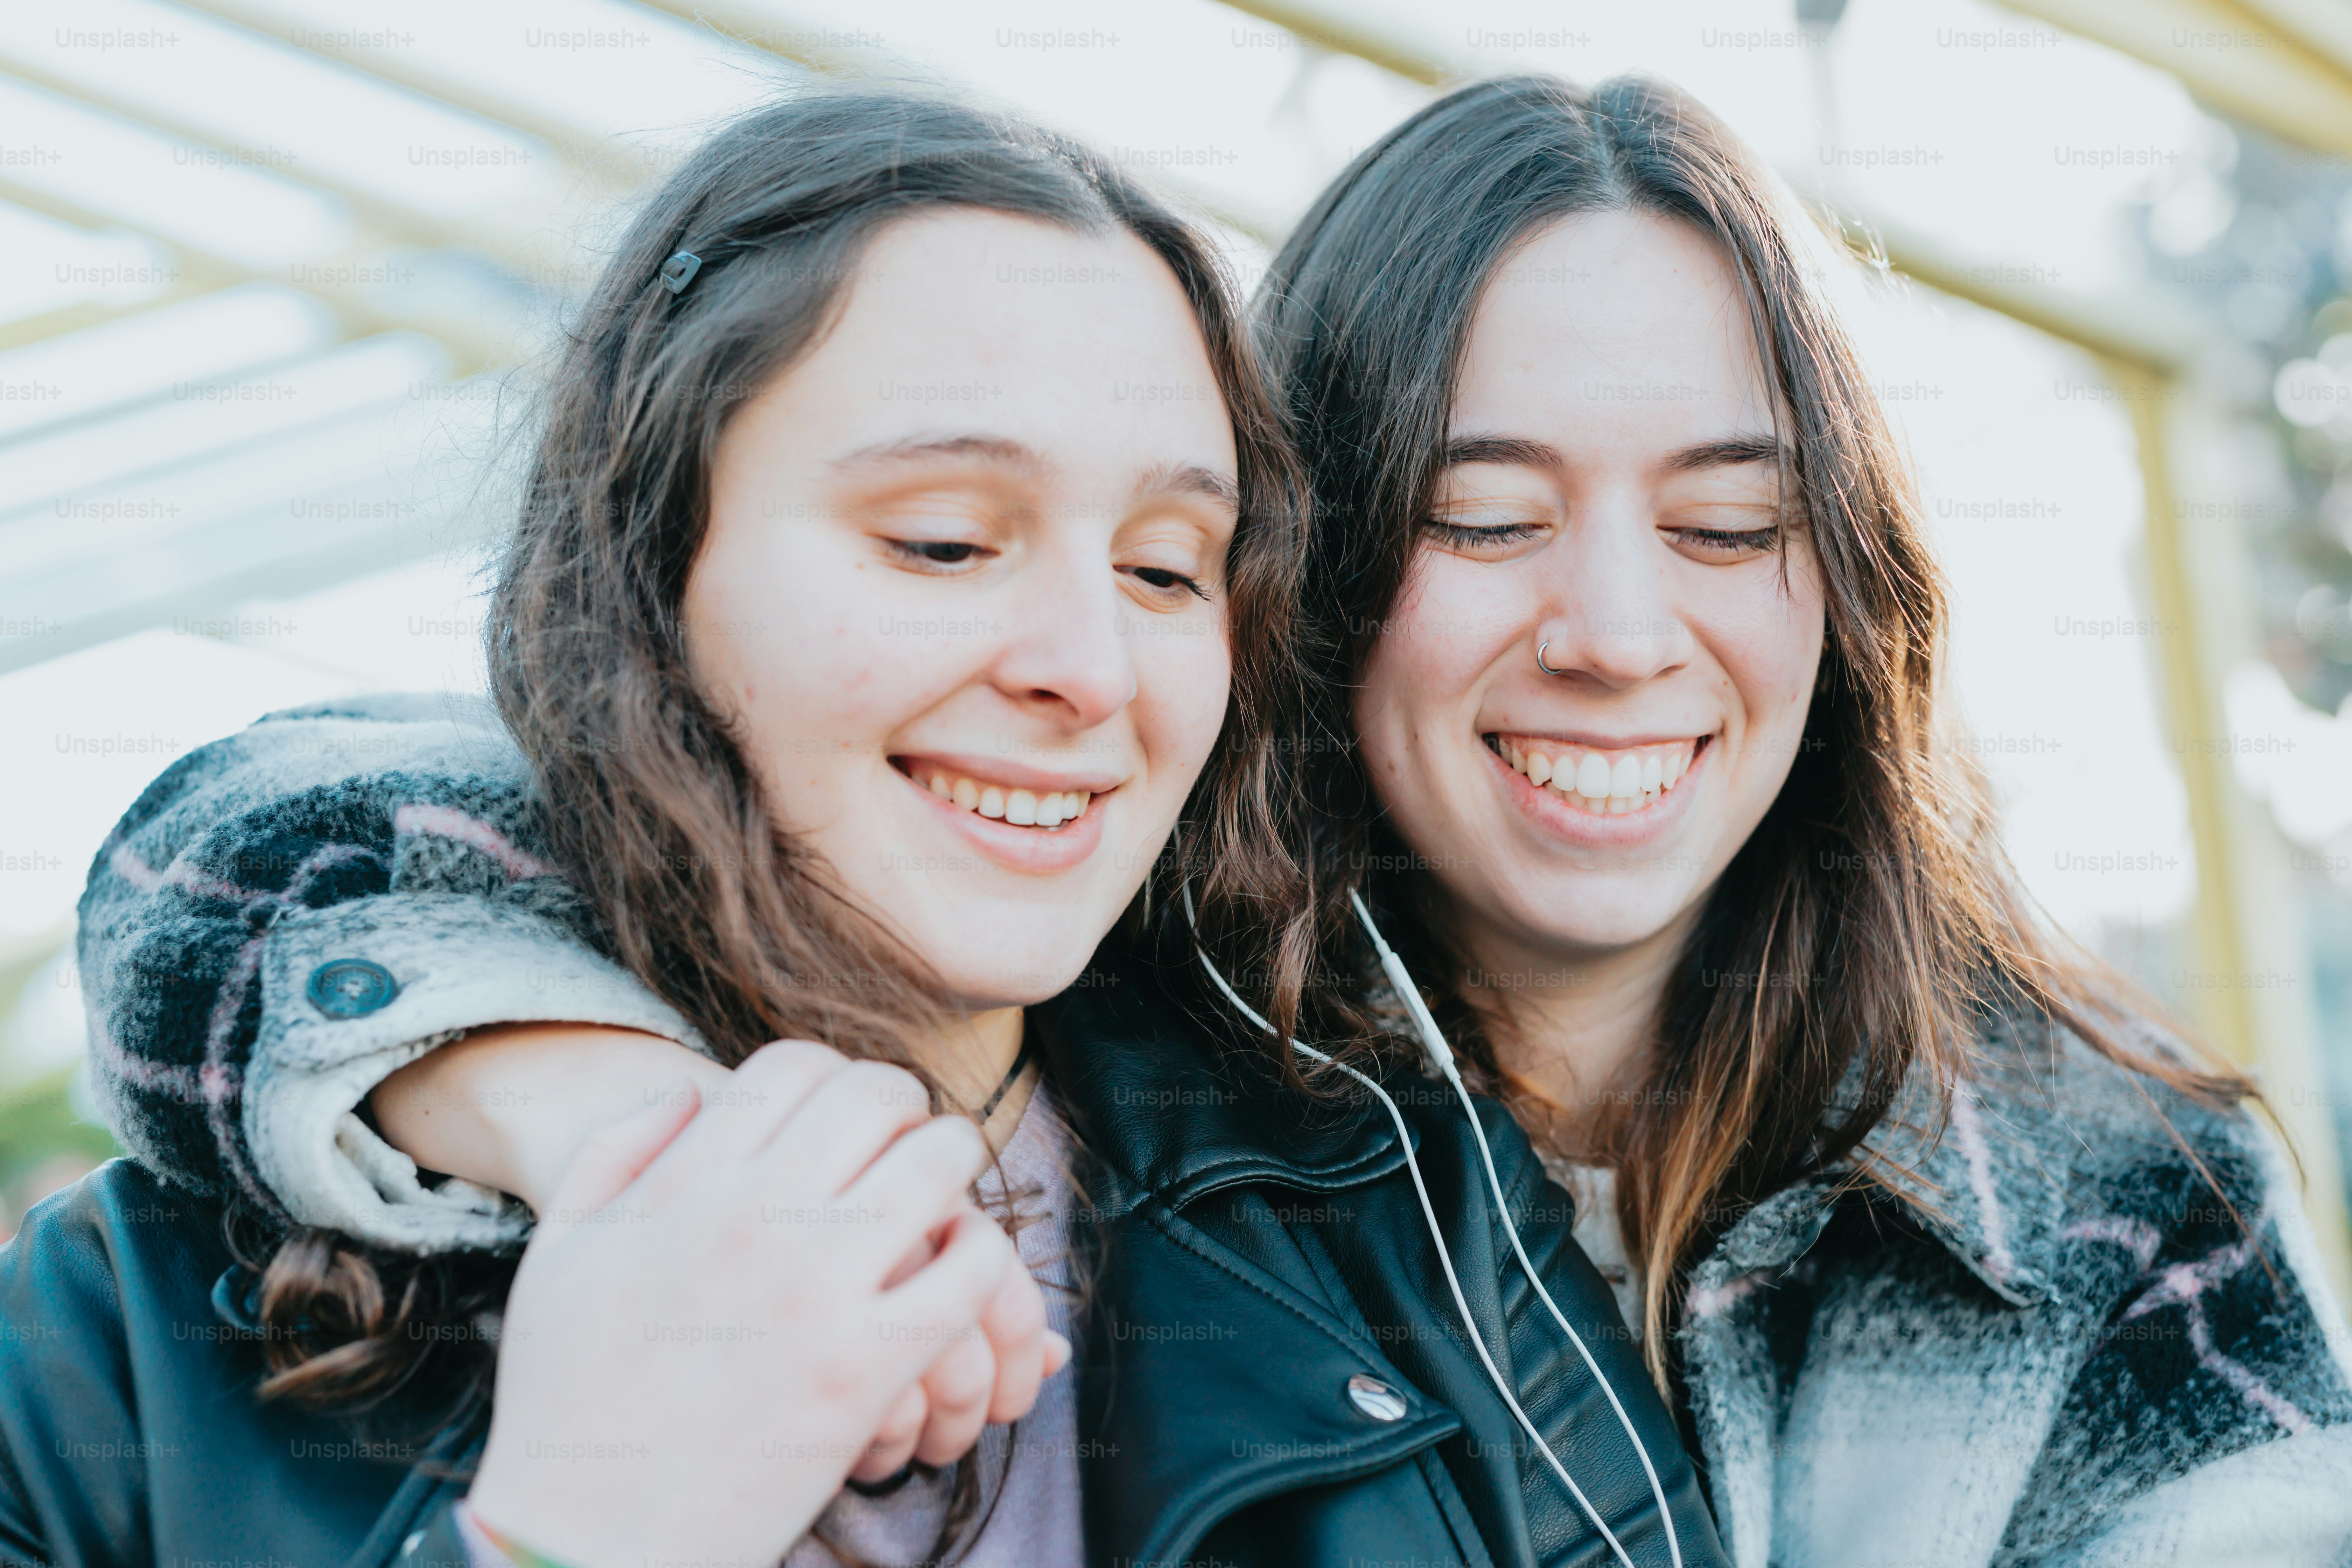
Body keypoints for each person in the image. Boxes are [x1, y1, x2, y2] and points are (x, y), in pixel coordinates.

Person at [160, 70, 2352, 1566]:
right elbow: (276, 824)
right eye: (1485, 519)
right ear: (1306, 575)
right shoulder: (1142, 1028)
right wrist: (629, 1129)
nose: (1613, 631)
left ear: (1847, 585)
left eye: (1728, 526)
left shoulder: (2090, 1189)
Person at [4, 87, 1721, 1568]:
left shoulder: (1415, 1231)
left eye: (1163, 568)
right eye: (943, 543)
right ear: (649, 574)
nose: (1086, 667)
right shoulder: (124, 1340)